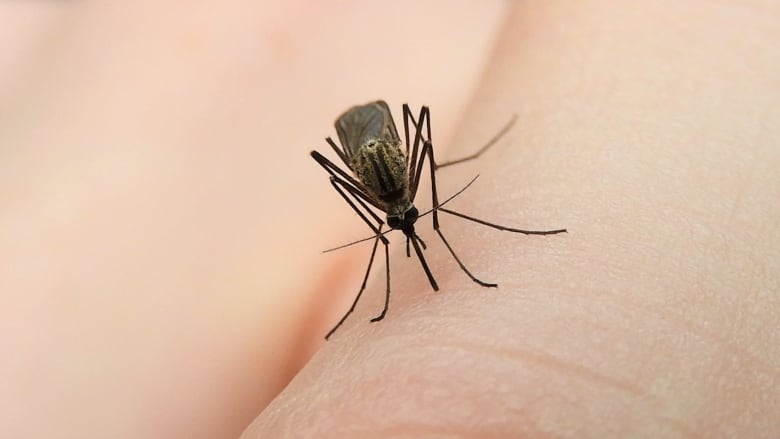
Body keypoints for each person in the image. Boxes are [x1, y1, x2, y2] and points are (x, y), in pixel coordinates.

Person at [2, 2, 777, 438]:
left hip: (384, 156)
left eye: (407, 219)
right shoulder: (388, 198)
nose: (413, 229)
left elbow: (416, 140)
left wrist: (414, 207)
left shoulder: (409, 186)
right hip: (372, 163)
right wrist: (386, 223)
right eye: (404, 223)